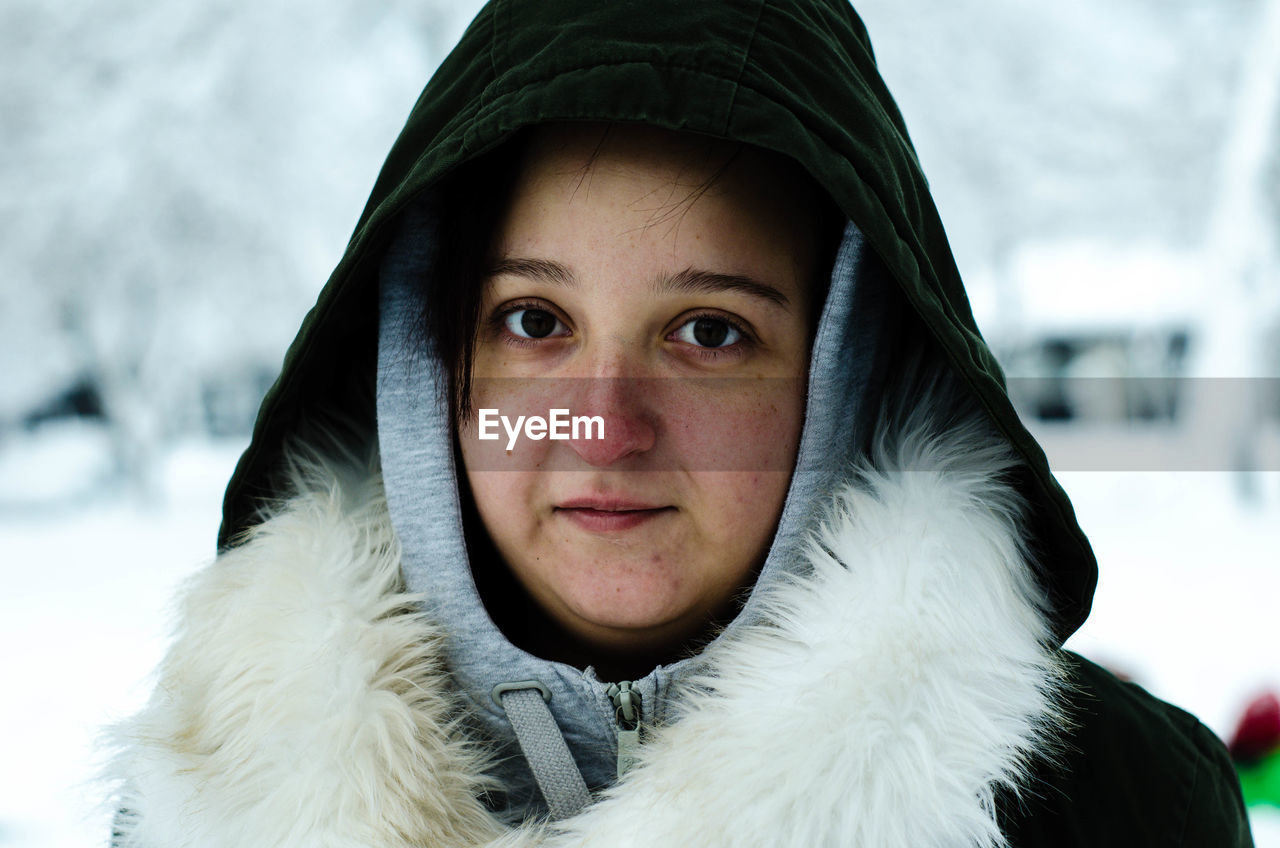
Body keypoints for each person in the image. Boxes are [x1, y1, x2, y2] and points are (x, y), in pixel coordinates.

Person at [105, 0, 1254, 845]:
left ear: (839, 373)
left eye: (708, 332)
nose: (601, 426)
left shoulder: (1119, 811)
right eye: (532, 319)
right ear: (423, 366)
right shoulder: (200, 804)